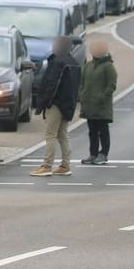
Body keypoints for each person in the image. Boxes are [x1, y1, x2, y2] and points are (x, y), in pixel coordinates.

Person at [30, 36, 80, 177]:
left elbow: (51, 84)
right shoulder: (75, 62)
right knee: (63, 135)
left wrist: (44, 102)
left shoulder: (57, 62)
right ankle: (65, 165)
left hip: (56, 103)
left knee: (50, 134)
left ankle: (47, 166)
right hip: (68, 104)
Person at [79, 40, 117, 165]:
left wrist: (102, 98)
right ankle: (93, 154)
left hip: (101, 106)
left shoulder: (108, 66)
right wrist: (82, 95)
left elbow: (111, 85)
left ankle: (103, 154)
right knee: (92, 131)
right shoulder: (88, 65)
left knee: (103, 130)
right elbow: (82, 83)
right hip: (89, 105)